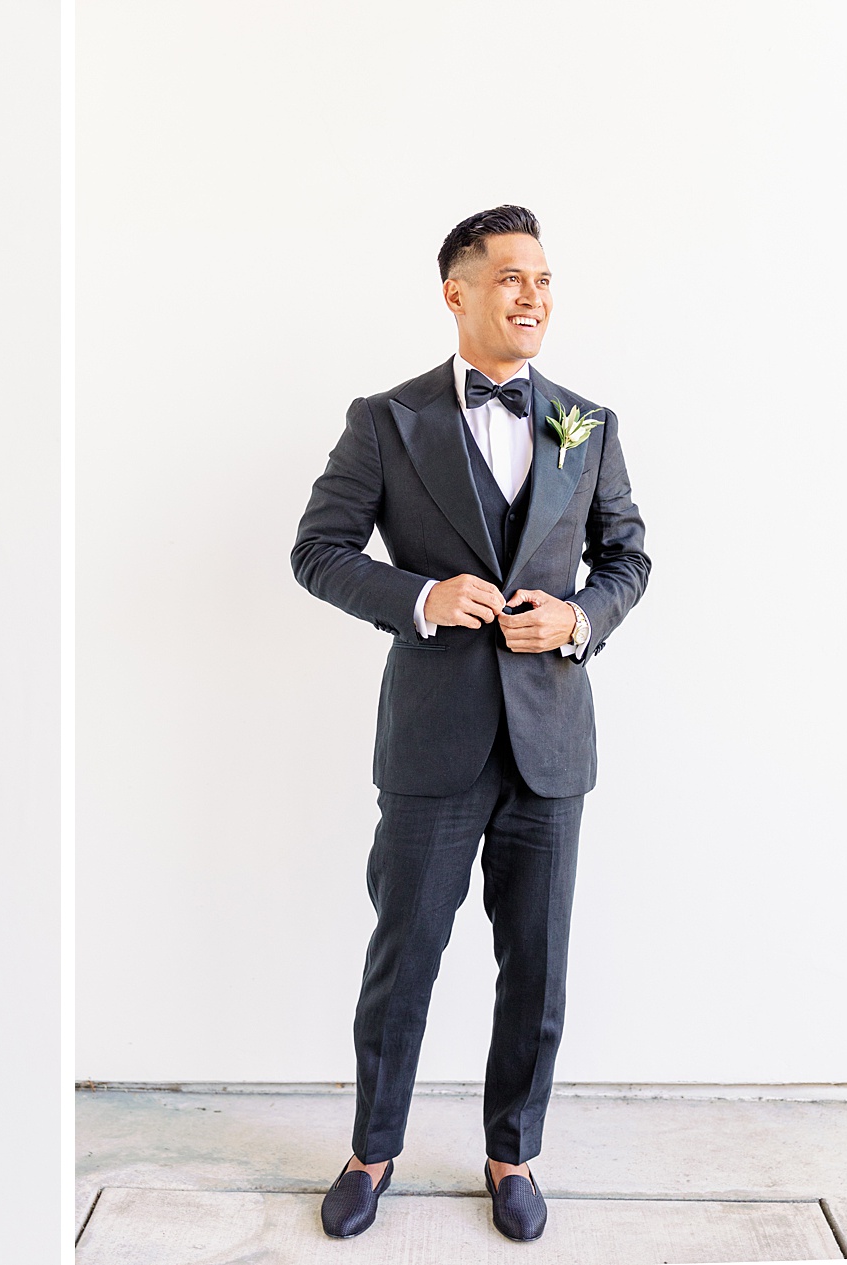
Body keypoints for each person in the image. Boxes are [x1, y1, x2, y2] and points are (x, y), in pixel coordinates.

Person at [291, 205, 649, 1243]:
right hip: (430, 743)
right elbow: (316, 549)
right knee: (402, 954)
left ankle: (511, 1152)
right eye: (509, 279)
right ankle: (370, 1150)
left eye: (542, 279)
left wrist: (579, 617)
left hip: (549, 744)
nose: (532, 296)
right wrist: (416, 597)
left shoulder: (587, 423)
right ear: (455, 292)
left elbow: (626, 556)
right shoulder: (383, 419)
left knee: (535, 965)